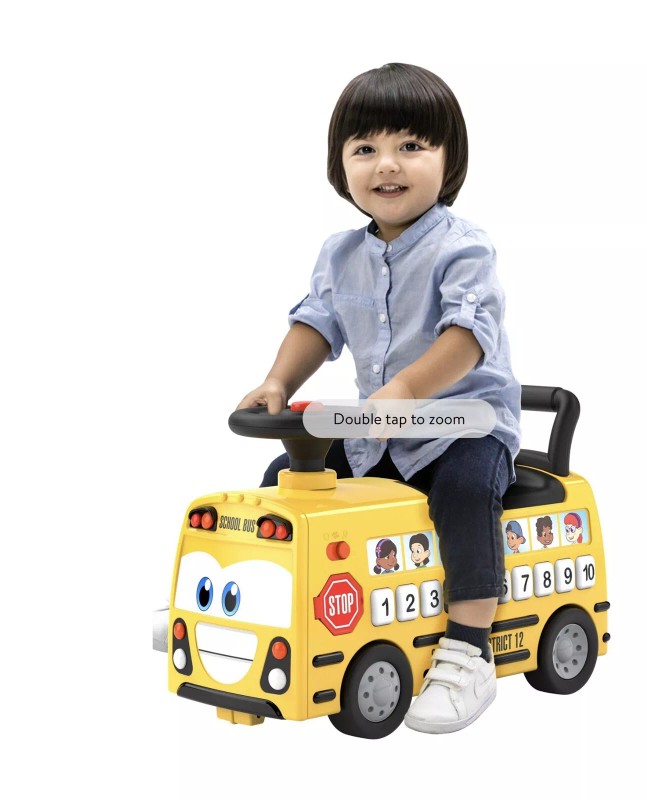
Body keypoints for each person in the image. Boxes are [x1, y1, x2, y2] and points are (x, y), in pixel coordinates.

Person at [237, 63, 521, 734]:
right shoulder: (340, 255)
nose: (387, 164)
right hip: (380, 431)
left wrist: (406, 390)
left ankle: (468, 649)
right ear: (341, 165)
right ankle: (261, 604)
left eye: (411, 146)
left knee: (463, 490)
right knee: (288, 478)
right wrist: (279, 382)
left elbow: (468, 337)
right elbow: (317, 323)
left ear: (449, 160)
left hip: (464, 425)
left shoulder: (465, 249)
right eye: (365, 147)